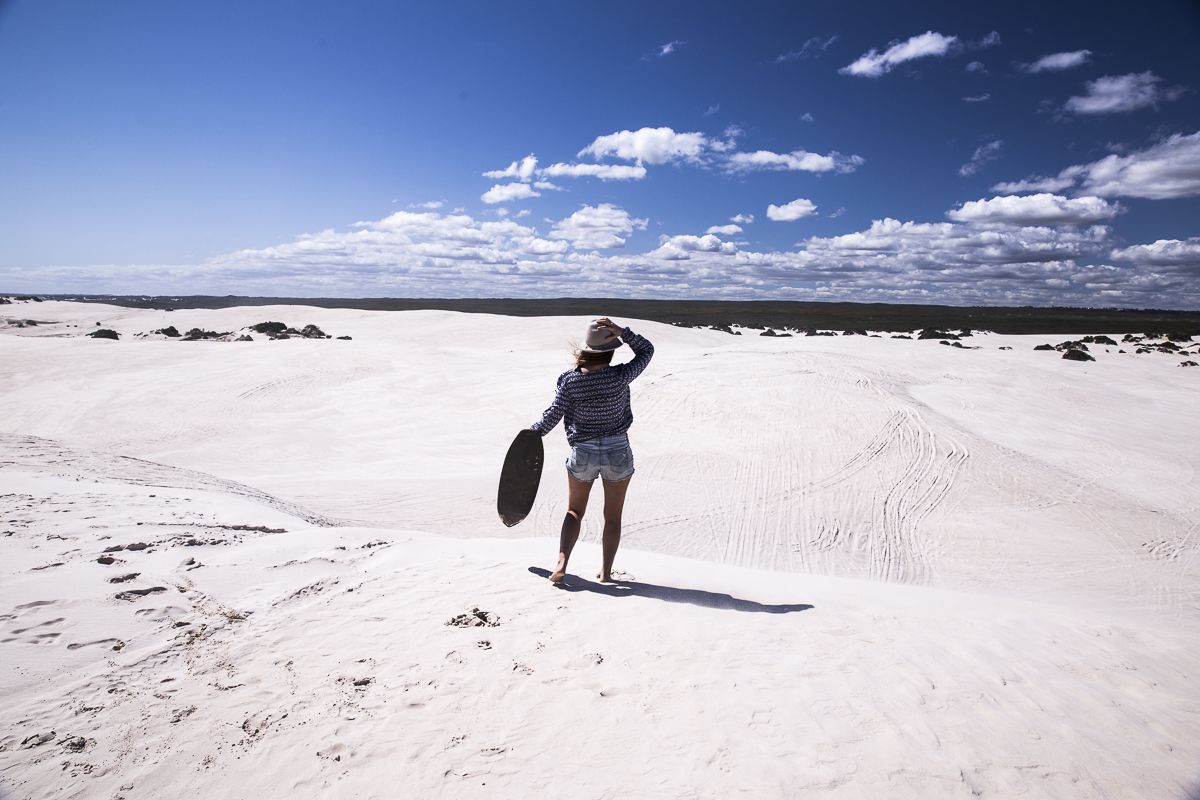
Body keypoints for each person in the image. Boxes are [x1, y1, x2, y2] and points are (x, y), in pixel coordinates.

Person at [530, 317, 654, 584]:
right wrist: (623, 332)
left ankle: (561, 566)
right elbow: (647, 350)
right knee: (612, 516)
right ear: (610, 352)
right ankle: (606, 572)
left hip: (583, 452)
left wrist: (533, 432)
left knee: (574, 511)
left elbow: (553, 414)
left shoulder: (571, 382)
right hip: (617, 451)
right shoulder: (620, 376)